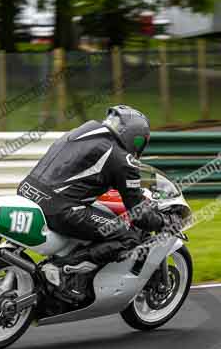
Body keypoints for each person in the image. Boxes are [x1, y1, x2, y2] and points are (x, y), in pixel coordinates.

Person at [17, 105, 167, 271]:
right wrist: (162, 221)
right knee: (127, 237)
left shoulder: (83, 131)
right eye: (139, 141)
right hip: (60, 209)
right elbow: (138, 214)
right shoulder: (122, 159)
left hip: (27, 191)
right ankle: (59, 268)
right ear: (132, 136)